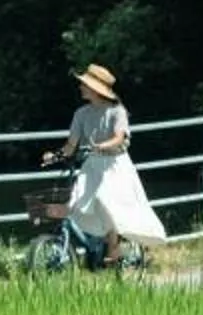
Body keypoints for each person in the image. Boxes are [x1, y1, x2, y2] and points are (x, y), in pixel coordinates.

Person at [38, 63, 168, 267]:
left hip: (115, 165)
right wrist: (55, 156)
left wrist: (101, 146)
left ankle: (113, 248)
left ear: (96, 89)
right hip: (92, 165)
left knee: (108, 201)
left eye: (84, 84)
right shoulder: (81, 113)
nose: (81, 87)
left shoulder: (117, 111)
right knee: (78, 202)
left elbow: (119, 137)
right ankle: (95, 247)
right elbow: (71, 145)